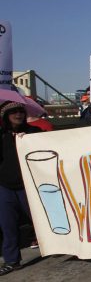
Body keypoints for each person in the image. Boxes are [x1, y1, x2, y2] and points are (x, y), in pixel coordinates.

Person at [0, 102, 41, 276]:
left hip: (29, 186)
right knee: (8, 225)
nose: (18, 115)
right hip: (5, 187)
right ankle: (12, 261)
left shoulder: (33, 132)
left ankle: (64, 247)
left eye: (21, 111)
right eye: (13, 112)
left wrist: (30, 140)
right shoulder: (2, 135)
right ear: (6, 116)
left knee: (41, 220)